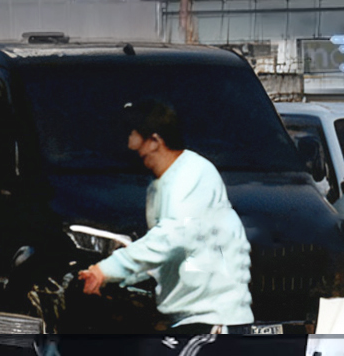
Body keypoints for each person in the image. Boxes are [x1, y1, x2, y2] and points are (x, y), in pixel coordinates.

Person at [77, 101, 253, 345]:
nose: (128, 145)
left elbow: (170, 238)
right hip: (190, 321)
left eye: (132, 135)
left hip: (214, 321)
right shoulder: (160, 185)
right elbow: (164, 257)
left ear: (154, 141)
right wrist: (110, 278)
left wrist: (107, 269)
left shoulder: (192, 175)